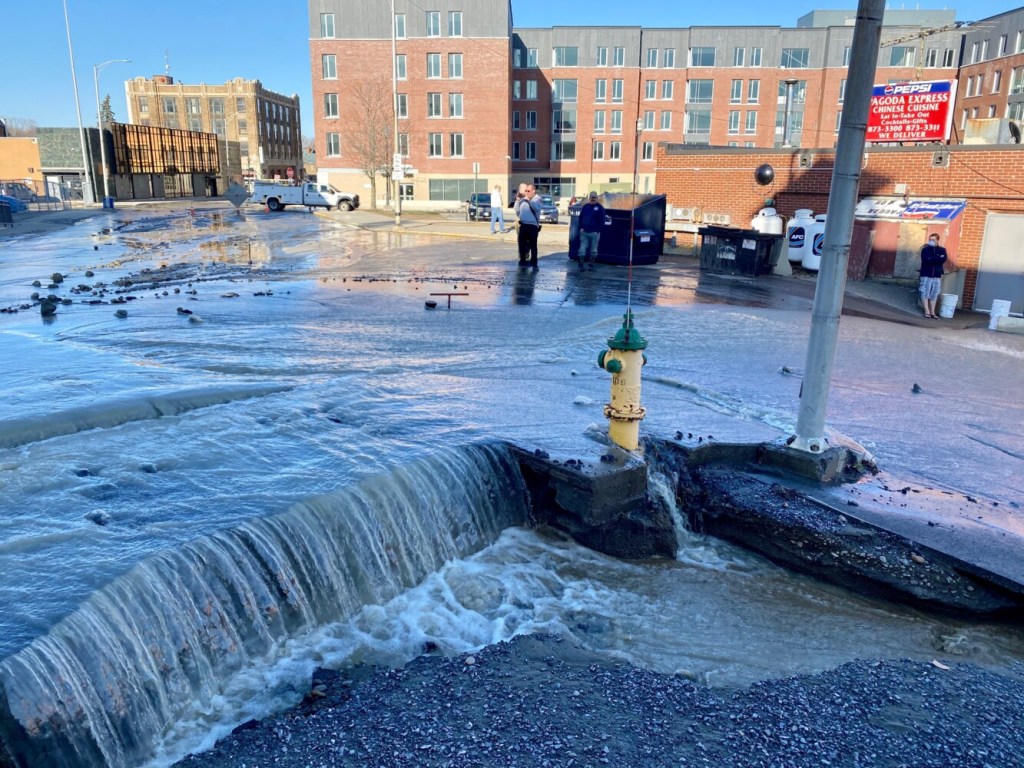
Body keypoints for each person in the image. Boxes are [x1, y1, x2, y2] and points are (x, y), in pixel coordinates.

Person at [918, 233, 948, 319]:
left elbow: (943, 259)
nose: (931, 241)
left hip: (936, 274)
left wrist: (932, 258)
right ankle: (927, 311)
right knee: (925, 291)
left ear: (937, 240)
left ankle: (932, 312)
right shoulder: (925, 250)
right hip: (926, 273)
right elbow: (925, 260)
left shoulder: (942, 250)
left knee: (934, 293)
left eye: (933, 239)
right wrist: (937, 258)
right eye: (930, 239)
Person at [516, 185, 542, 269]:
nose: (526, 193)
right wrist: (518, 201)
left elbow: (537, 208)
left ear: (533, 191)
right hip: (523, 225)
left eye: (528, 191)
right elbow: (517, 210)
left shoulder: (537, 199)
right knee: (521, 244)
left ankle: (534, 262)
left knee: (533, 245)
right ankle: (522, 260)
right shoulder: (523, 199)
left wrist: (529, 200)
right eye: (526, 191)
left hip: (533, 226)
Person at [577, 192, 606, 270]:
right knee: (582, 250)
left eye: (594, 197)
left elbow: (602, 221)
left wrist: (597, 230)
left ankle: (591, 265)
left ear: (597, 198)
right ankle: (581, 265)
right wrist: (581, 227)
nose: (593, 199)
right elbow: (580, 217)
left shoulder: (600, 208)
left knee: (593, 250)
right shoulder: (585, 207)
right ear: (589, 198)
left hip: (594, 233)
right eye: (592, 197)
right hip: (584, 232)